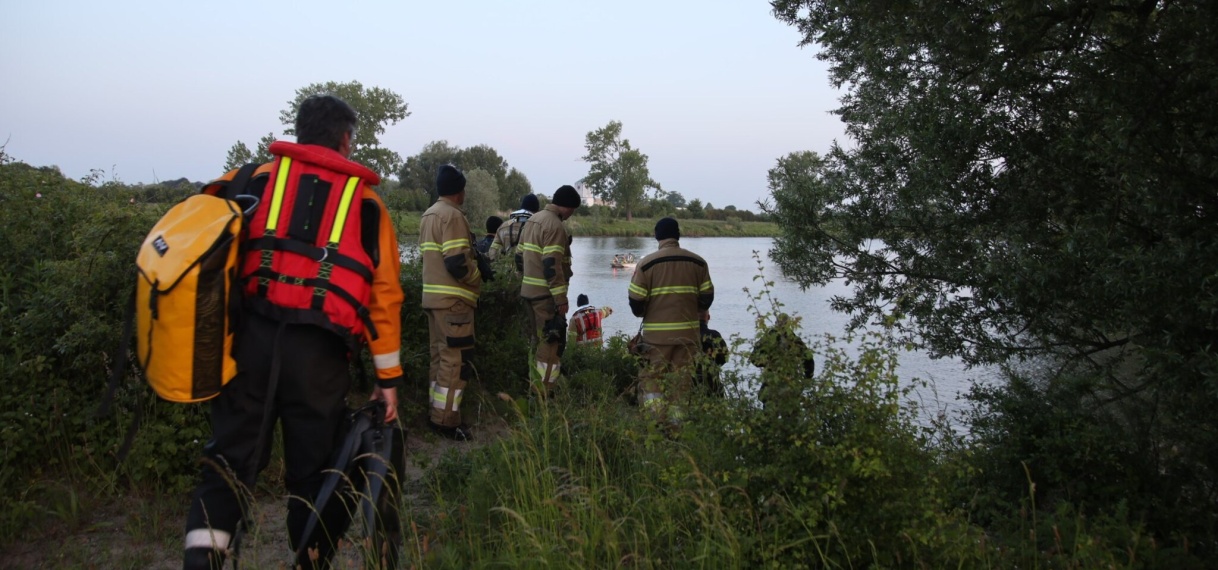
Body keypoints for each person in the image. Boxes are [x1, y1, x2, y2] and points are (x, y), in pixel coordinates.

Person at [183, 94, 405, 570]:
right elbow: (384, 298)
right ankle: (309, 560)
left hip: (249, 343)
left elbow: (193, 232)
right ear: (346, 139)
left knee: (227, 467)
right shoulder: (367, 206)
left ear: (299, 132)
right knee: (315, 475)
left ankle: (202, 560)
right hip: (320, 357)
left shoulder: (250, 180)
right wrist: (387, 384)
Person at [419, 164, 487, 441]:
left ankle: (436, 411)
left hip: (433, 300)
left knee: (439, 357)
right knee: (455, 361)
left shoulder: (428, 214)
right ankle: (446, 421)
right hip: (454, 302)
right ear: (460, 191)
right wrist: (477, 276)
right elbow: (457, 261)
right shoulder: (453, 216)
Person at [628, 217, 714, 423]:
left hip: (656, 340)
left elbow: (636, 302)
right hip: (688, 337)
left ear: (657, 236)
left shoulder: (647, 264)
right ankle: (678, 430)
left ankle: (655, 427)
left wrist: (647, 312)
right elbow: (707, 298)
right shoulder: (698, 262)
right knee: (682, 384)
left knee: (652, 383)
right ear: (678, 235)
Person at [519, 185, 580, 392]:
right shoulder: (555, 226)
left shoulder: (532, 220)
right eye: (573, 210)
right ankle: (542, 394)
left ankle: (531, 387)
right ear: (568, 207)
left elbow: (519, 257)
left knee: (535, 342)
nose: (571, 215)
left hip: (528, 293)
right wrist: (560, 298)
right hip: (545, 296)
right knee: (550, 344)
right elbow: (551, 265)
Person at [490, 193, 540, 262]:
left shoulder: (504, 225)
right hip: (527, 270)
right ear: (536, 211)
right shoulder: (537, 226)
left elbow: (493, 253)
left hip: (504, 270)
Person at [695, 311, 728, 397]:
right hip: (712, 384)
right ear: (708, 317)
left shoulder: (686, 335)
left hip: (690, 384)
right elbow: (725, 358)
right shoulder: (714, 335)